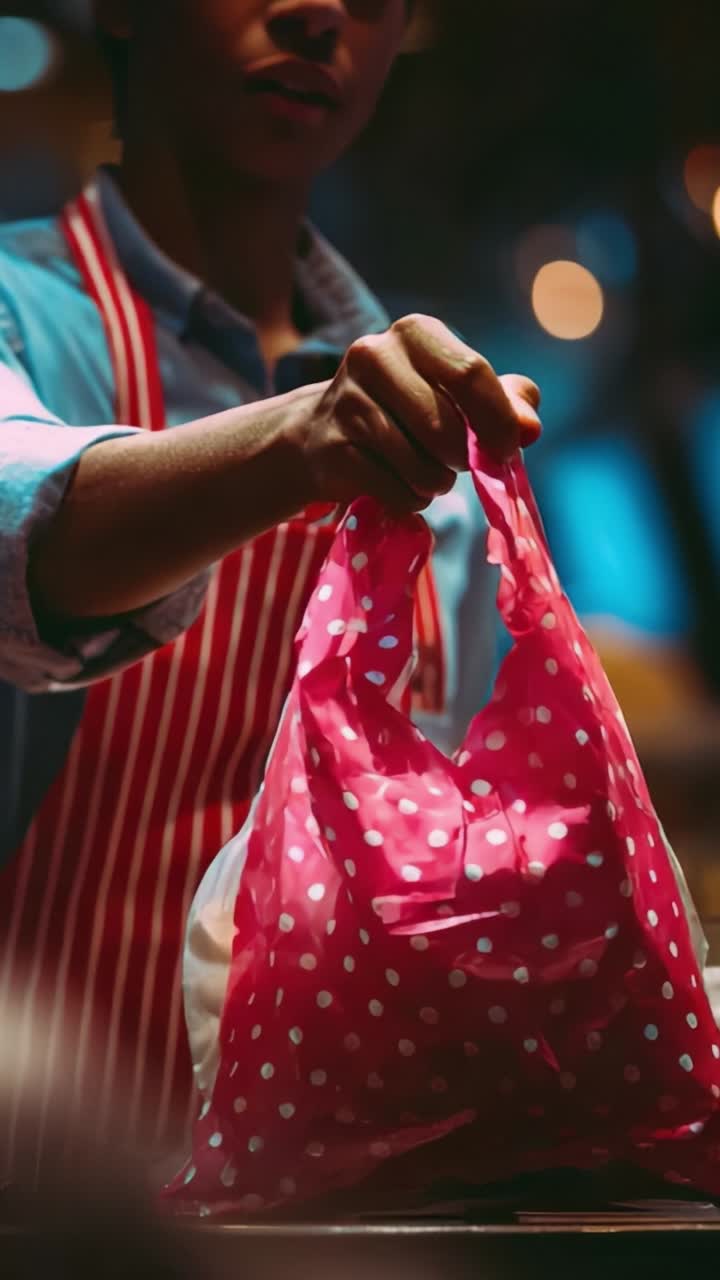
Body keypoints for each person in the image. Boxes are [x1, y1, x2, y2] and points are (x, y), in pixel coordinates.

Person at [0, 0, 541, 1181]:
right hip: (35, 1192)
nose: (318, 13)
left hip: (317, 1204)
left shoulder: (432, 449)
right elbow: (24, 544)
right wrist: (304, 441)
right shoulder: (17, 316)